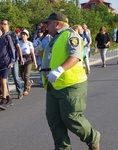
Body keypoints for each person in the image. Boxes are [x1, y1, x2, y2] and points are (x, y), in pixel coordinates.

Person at [41, 12, 100, 150]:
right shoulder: (54, 38)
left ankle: (93, 137)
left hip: (71, 85)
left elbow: (75, 56)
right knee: (54, 121)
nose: (45, 26)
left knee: (71, 117)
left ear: (57, 23)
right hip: (54, 85)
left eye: (48, 23)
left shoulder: (71, 35)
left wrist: (59, 70)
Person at [0, 22, 15, 110]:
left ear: (0, 28)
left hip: (6, 63)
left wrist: (12, 62)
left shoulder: (7, 37)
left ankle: (3, 100)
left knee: (4, 81)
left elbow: (12, 50)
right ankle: (9, 99)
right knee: (1, 82)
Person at [2, 19, 24, 99]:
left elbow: (18, 46)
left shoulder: (13, 34)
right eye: (2, 24)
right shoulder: (1, 35)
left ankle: (20, 91)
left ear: (8, 25)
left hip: (13, 58)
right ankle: (7, 94)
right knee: (5, 78)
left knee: (15, 75)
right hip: (4, 59)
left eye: (5, 24)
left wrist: (21, 58)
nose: (3, 26)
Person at [19, 29, 37, 95]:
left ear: (27, 36)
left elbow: (32, 53)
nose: (23, 35)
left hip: (28, 61)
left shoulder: (29, 43)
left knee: (26, 75)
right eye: (22, 34)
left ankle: (25, 89)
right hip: (21, 60)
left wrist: (35, 63)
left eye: (24, 34)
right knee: (22, 75)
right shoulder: (19, 42)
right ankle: (28, 83)